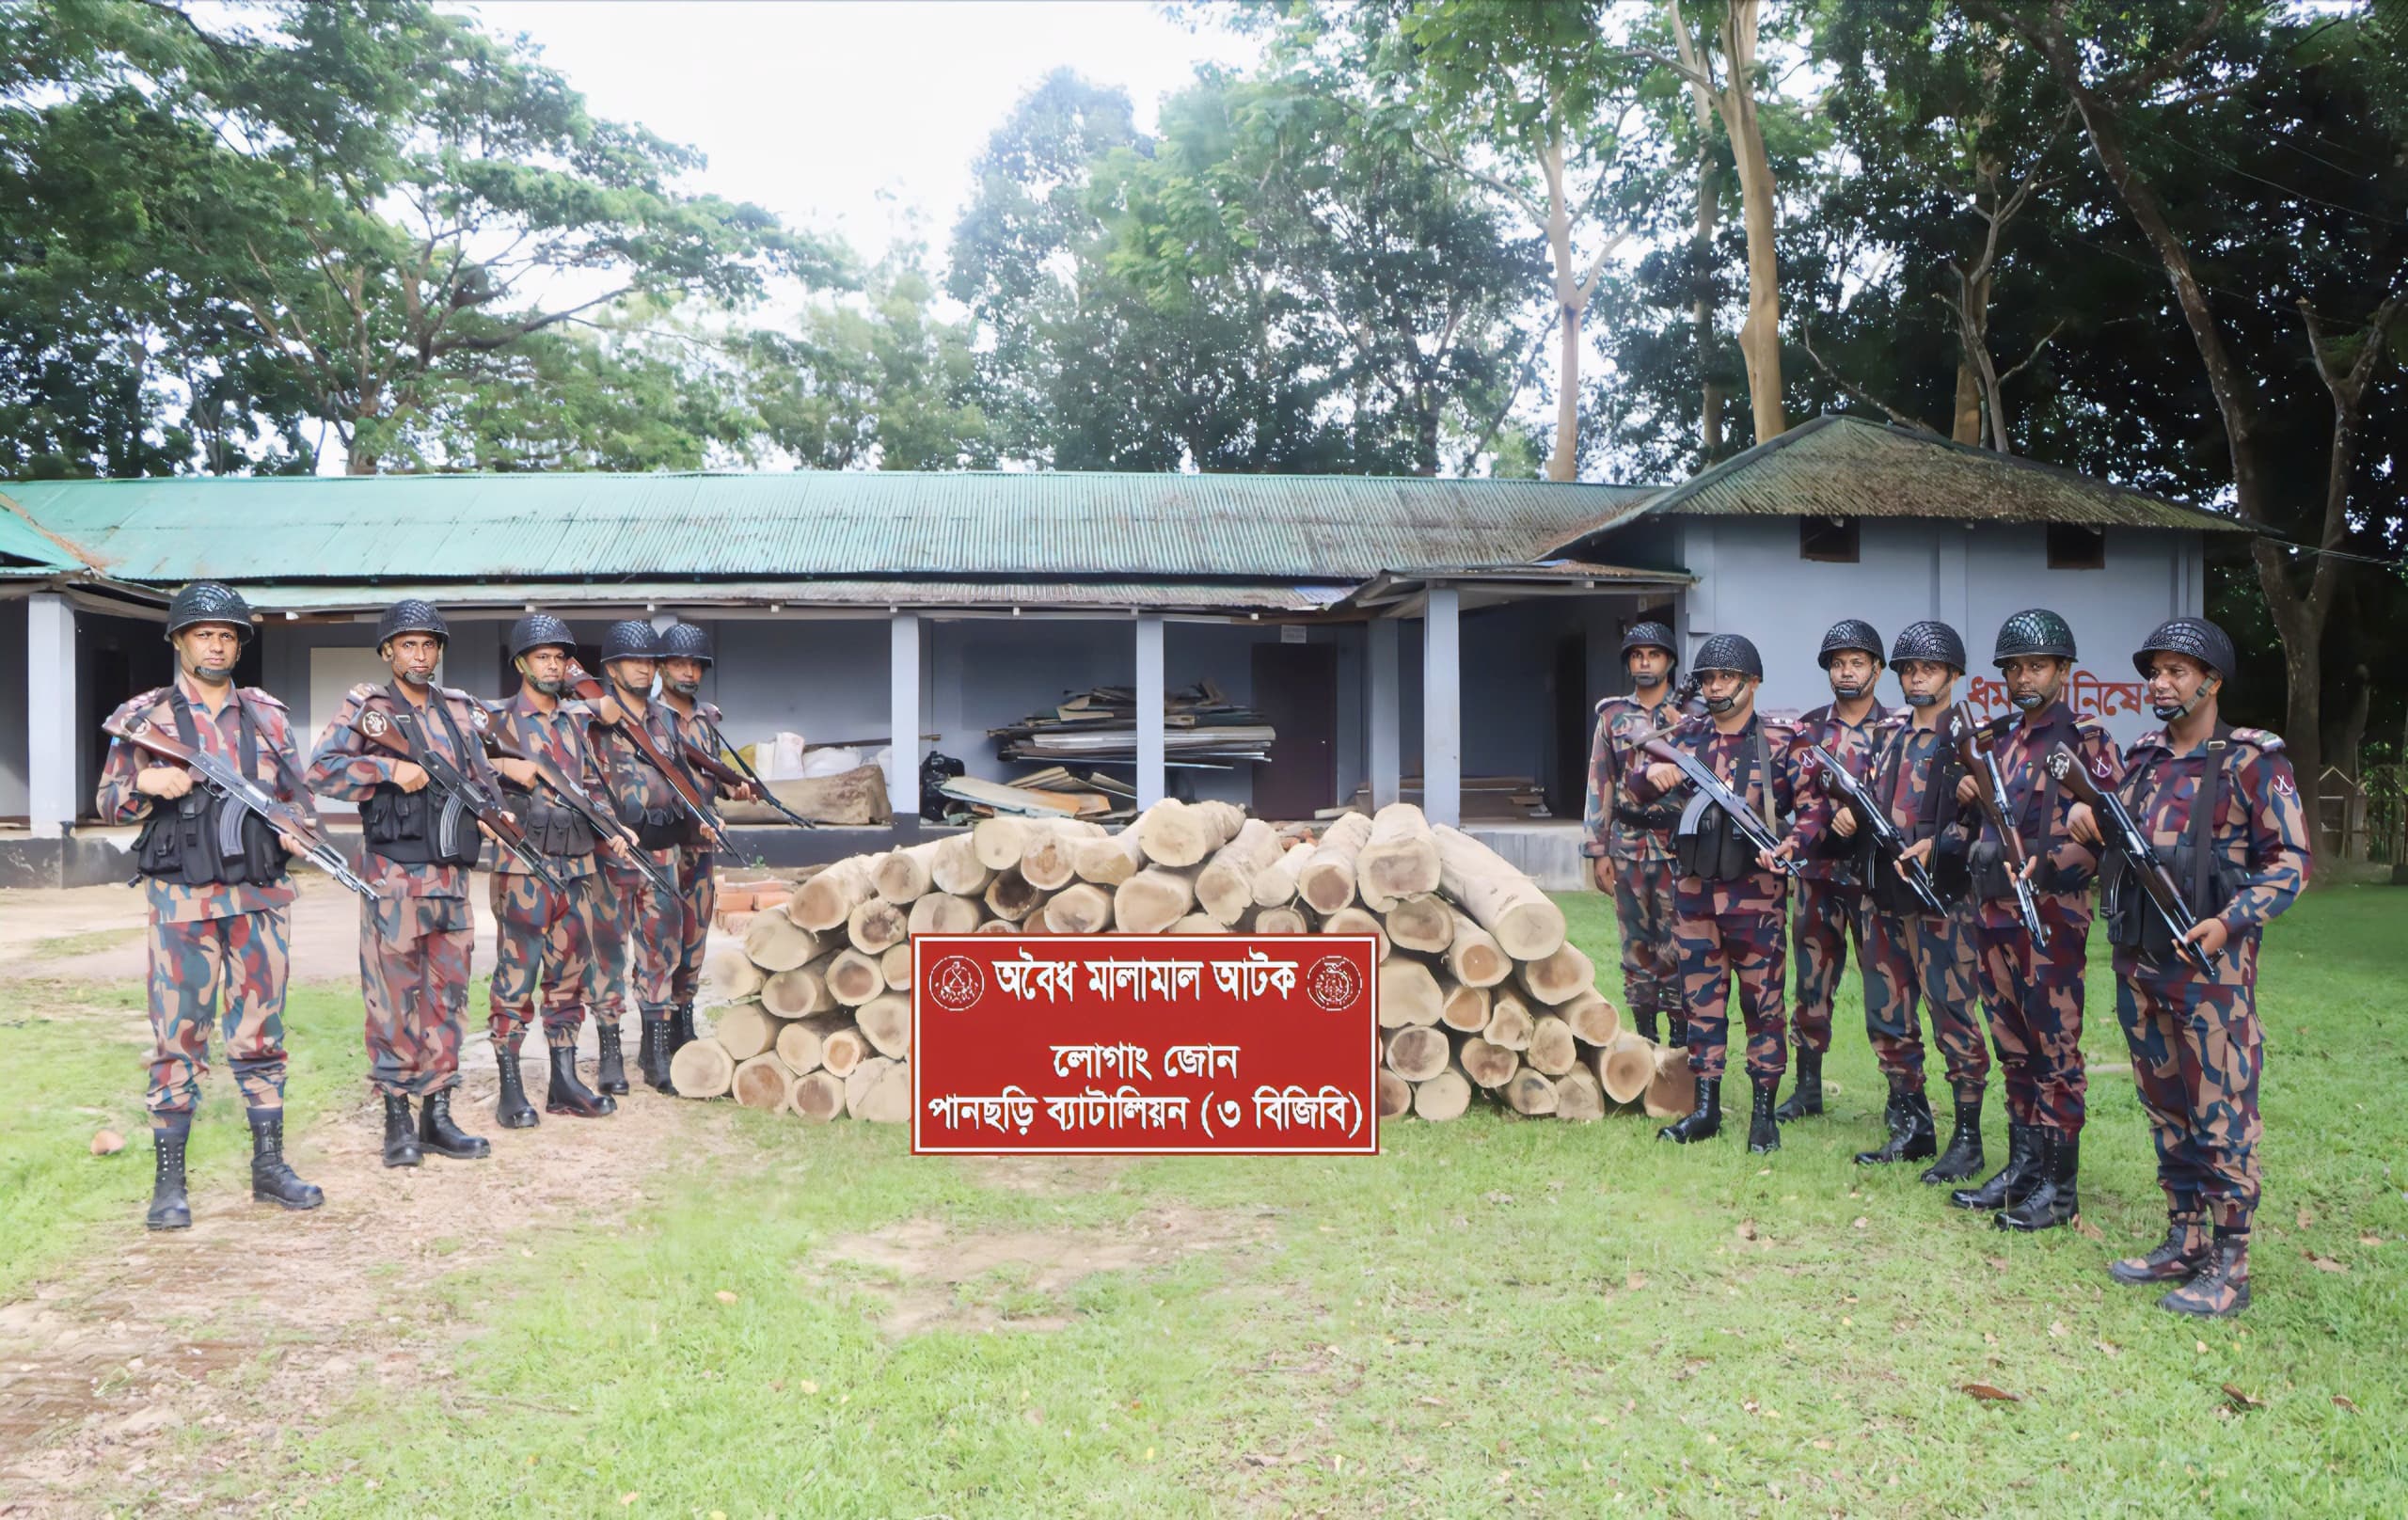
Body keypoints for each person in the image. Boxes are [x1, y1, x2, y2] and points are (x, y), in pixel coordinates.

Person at [2074, 617, 2308, 1318]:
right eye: (2155, 672)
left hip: (2212, 977)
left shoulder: (2251, 760)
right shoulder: (2142, 760)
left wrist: (2229, 921)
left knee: (2221, 1112)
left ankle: (2231, 1264)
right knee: (2165, 1106)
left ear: (2212, 681)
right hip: (2140, 965)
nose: (2160, 683)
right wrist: (2089, 825)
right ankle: (2185, 1237)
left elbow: (2291, 864)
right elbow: (2120, 844)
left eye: (2177, 672)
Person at [98, 582, 324, 1228]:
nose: (217, 645)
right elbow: (107, 801)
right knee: (178, 1038)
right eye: (204, 635)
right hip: (182, 901)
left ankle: (269, 1168)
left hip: (259, 897)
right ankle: (169, 1184)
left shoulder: (268, 717)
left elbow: (298, 798)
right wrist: (145, 781)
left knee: (262, 1033)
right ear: (179, 641)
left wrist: (298, 830)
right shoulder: (146, 716)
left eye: (227, 636)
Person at [305, 599, 498, 1166]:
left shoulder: (457, 711)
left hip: (451, 880)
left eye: (429, 645)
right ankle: (397, 1119)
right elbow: (320, 771)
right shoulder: (369, 709)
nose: (420, 655)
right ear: (388, 651)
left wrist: (496, 814)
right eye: (408, 645)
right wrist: (388, 770)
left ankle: (438, 1114)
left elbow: (482, 777)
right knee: (392, 999)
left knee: (449, 996)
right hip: (392, 880)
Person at [1944, 610, 2119, 1232]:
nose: (2024, 678)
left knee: (2054, 1049)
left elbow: (2110, 833)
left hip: (2051, 919)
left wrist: (2048, 864)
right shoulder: (1995, 742)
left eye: (2036, 666)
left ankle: (2059, 1187)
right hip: (1992, 913)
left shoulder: (2087, 742)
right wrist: (1966, 799)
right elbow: (1977, 827)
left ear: (2063, 670)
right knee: (2013, 1046)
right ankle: (2023, 1169)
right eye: (2014, 668)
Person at [1622, 634, 1815, 1152]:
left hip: (1757, 899)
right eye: (1709, 679)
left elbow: (1813, 806)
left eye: (1727, 678)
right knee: (1700, 1004)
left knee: (1763, 1005)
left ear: (1753, 682)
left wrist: (1792, 844)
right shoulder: (1686, 736)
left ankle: (1764, 1116)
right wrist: (1653, 774)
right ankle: (1704, 1109)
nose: (1716, 687)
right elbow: (1633, 791)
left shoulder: (1779, 741)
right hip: (1695, 895)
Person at [1832, 622, 1989, 1179]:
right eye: (1909, 669)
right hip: (1883, 896)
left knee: (1953, 1017)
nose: (1917, 678)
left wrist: (1954, 830)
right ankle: (1912, 1127)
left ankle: (1967, 1140)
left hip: (1943, 901)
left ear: (1953, 675)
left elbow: (1996, 822)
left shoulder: (1972, 740)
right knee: (1887, 1016)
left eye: (1929, 669)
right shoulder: (1888, 736)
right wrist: (1848, 815)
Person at [483, 612, 629, 1127]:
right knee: (516, 976)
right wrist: (502, 765)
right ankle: (511, 1090)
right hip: (523, 867)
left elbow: (589, 785)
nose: (552, 665)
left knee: (569, 976)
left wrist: (611, 826)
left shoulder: (575, 721)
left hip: (578, 865)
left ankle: (563, 1082)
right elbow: (466, 768)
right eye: (542, 657)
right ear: (521, 663)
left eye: (560, 657)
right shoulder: (493, 718)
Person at [1778, 619, 1891, 1123]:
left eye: (1857, 663)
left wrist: (1861, 815)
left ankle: (1901, 1098)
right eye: (1838, 664)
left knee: (1886, 987)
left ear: (1877, 670)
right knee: (1811, 983)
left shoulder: (1896, 730)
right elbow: (1791, 796)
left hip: (1873, 880)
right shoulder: (1807, 730)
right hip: (1817, 876)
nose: (1847, 672)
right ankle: (1807, 1088)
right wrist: (1823, 815)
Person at [586, 620, 694, 1093]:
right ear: (611, 668)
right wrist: (608, 824)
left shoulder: (665, 720)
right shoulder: (591, 717)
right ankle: (611, 1057)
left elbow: (680, 776)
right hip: (612, 853)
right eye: (633, 661)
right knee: (607, 954)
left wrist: (701, 816)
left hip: (662, 850)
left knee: (661, 952)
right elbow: (581, 779)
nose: (644, 669)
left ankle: (655, 1055)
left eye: (650, 662)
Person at [1579, 621, 1691, 1045]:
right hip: (1627, 847)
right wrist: (1598, 850)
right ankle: (1644, 1039)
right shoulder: (1613, 717)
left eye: (1654, 655)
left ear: (1669, 662)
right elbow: (1600, 782)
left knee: (1678, 945)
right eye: (1637, 655)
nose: (1645, 662)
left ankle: (1679, 1040)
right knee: (1635, 948)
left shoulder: (1691, 716)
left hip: (1678, 847)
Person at [654, 621, 754, 1060]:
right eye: (679, 664)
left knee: (694, 937)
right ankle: (656, 1035)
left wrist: (734, 787)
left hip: (701, 844)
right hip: (662, 844)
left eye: (695, 665)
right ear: (661, 667)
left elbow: (712, 771)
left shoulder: (708, 719)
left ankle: (684, 1023)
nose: (689, 672)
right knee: (661, 939)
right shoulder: (647, 718)